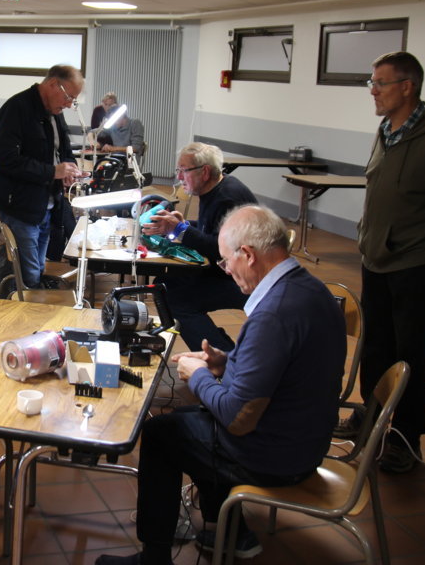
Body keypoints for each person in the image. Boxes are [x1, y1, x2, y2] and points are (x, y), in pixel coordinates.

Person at [98, 205, 346, 565]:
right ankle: (230, 531)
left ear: (248, 255)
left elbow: (237, 418)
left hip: (277, 457)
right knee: (196, 419)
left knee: (162, 434)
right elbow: (285, 367)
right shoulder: (311, 289)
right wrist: (227, 363)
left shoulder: (274, 313)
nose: (226, 270)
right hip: (307, 439)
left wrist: (198, 374)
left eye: (226, 261)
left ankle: (154, 558)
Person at [346, 50, 425, 474]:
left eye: (380, 83)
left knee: (411, 353)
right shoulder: (386, 130)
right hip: (377, 258)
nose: (373, 91)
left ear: (407, 87)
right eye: (372, 83)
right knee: (376, 345)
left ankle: (406, 437)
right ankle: (371, 416)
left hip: (416, 263)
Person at [140, 142, 256, 351]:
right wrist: (182, 225)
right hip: (228, 271)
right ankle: (217, 347)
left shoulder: (227, 199)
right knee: (164, 283)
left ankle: (219, 356)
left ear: (205, 172)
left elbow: (221, 250)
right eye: (178, 170)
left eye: (184, 171)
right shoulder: (216, 189)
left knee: (174, 298)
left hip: (243, 280)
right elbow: (212, 231)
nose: (179, 177)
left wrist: (180, 230)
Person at [0, 64, 85, 289]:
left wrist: (69, 169)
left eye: (73, 100)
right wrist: (53, 172)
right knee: (29, 274)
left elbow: (64, 149)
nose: (69, 104)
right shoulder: (17, 108)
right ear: (53, 84)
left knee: (39, 267)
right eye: (69, 97)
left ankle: (27, 300)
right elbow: (5, 159)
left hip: (46, 204)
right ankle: (21, 306)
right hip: (20, 205)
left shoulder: (54, 112)